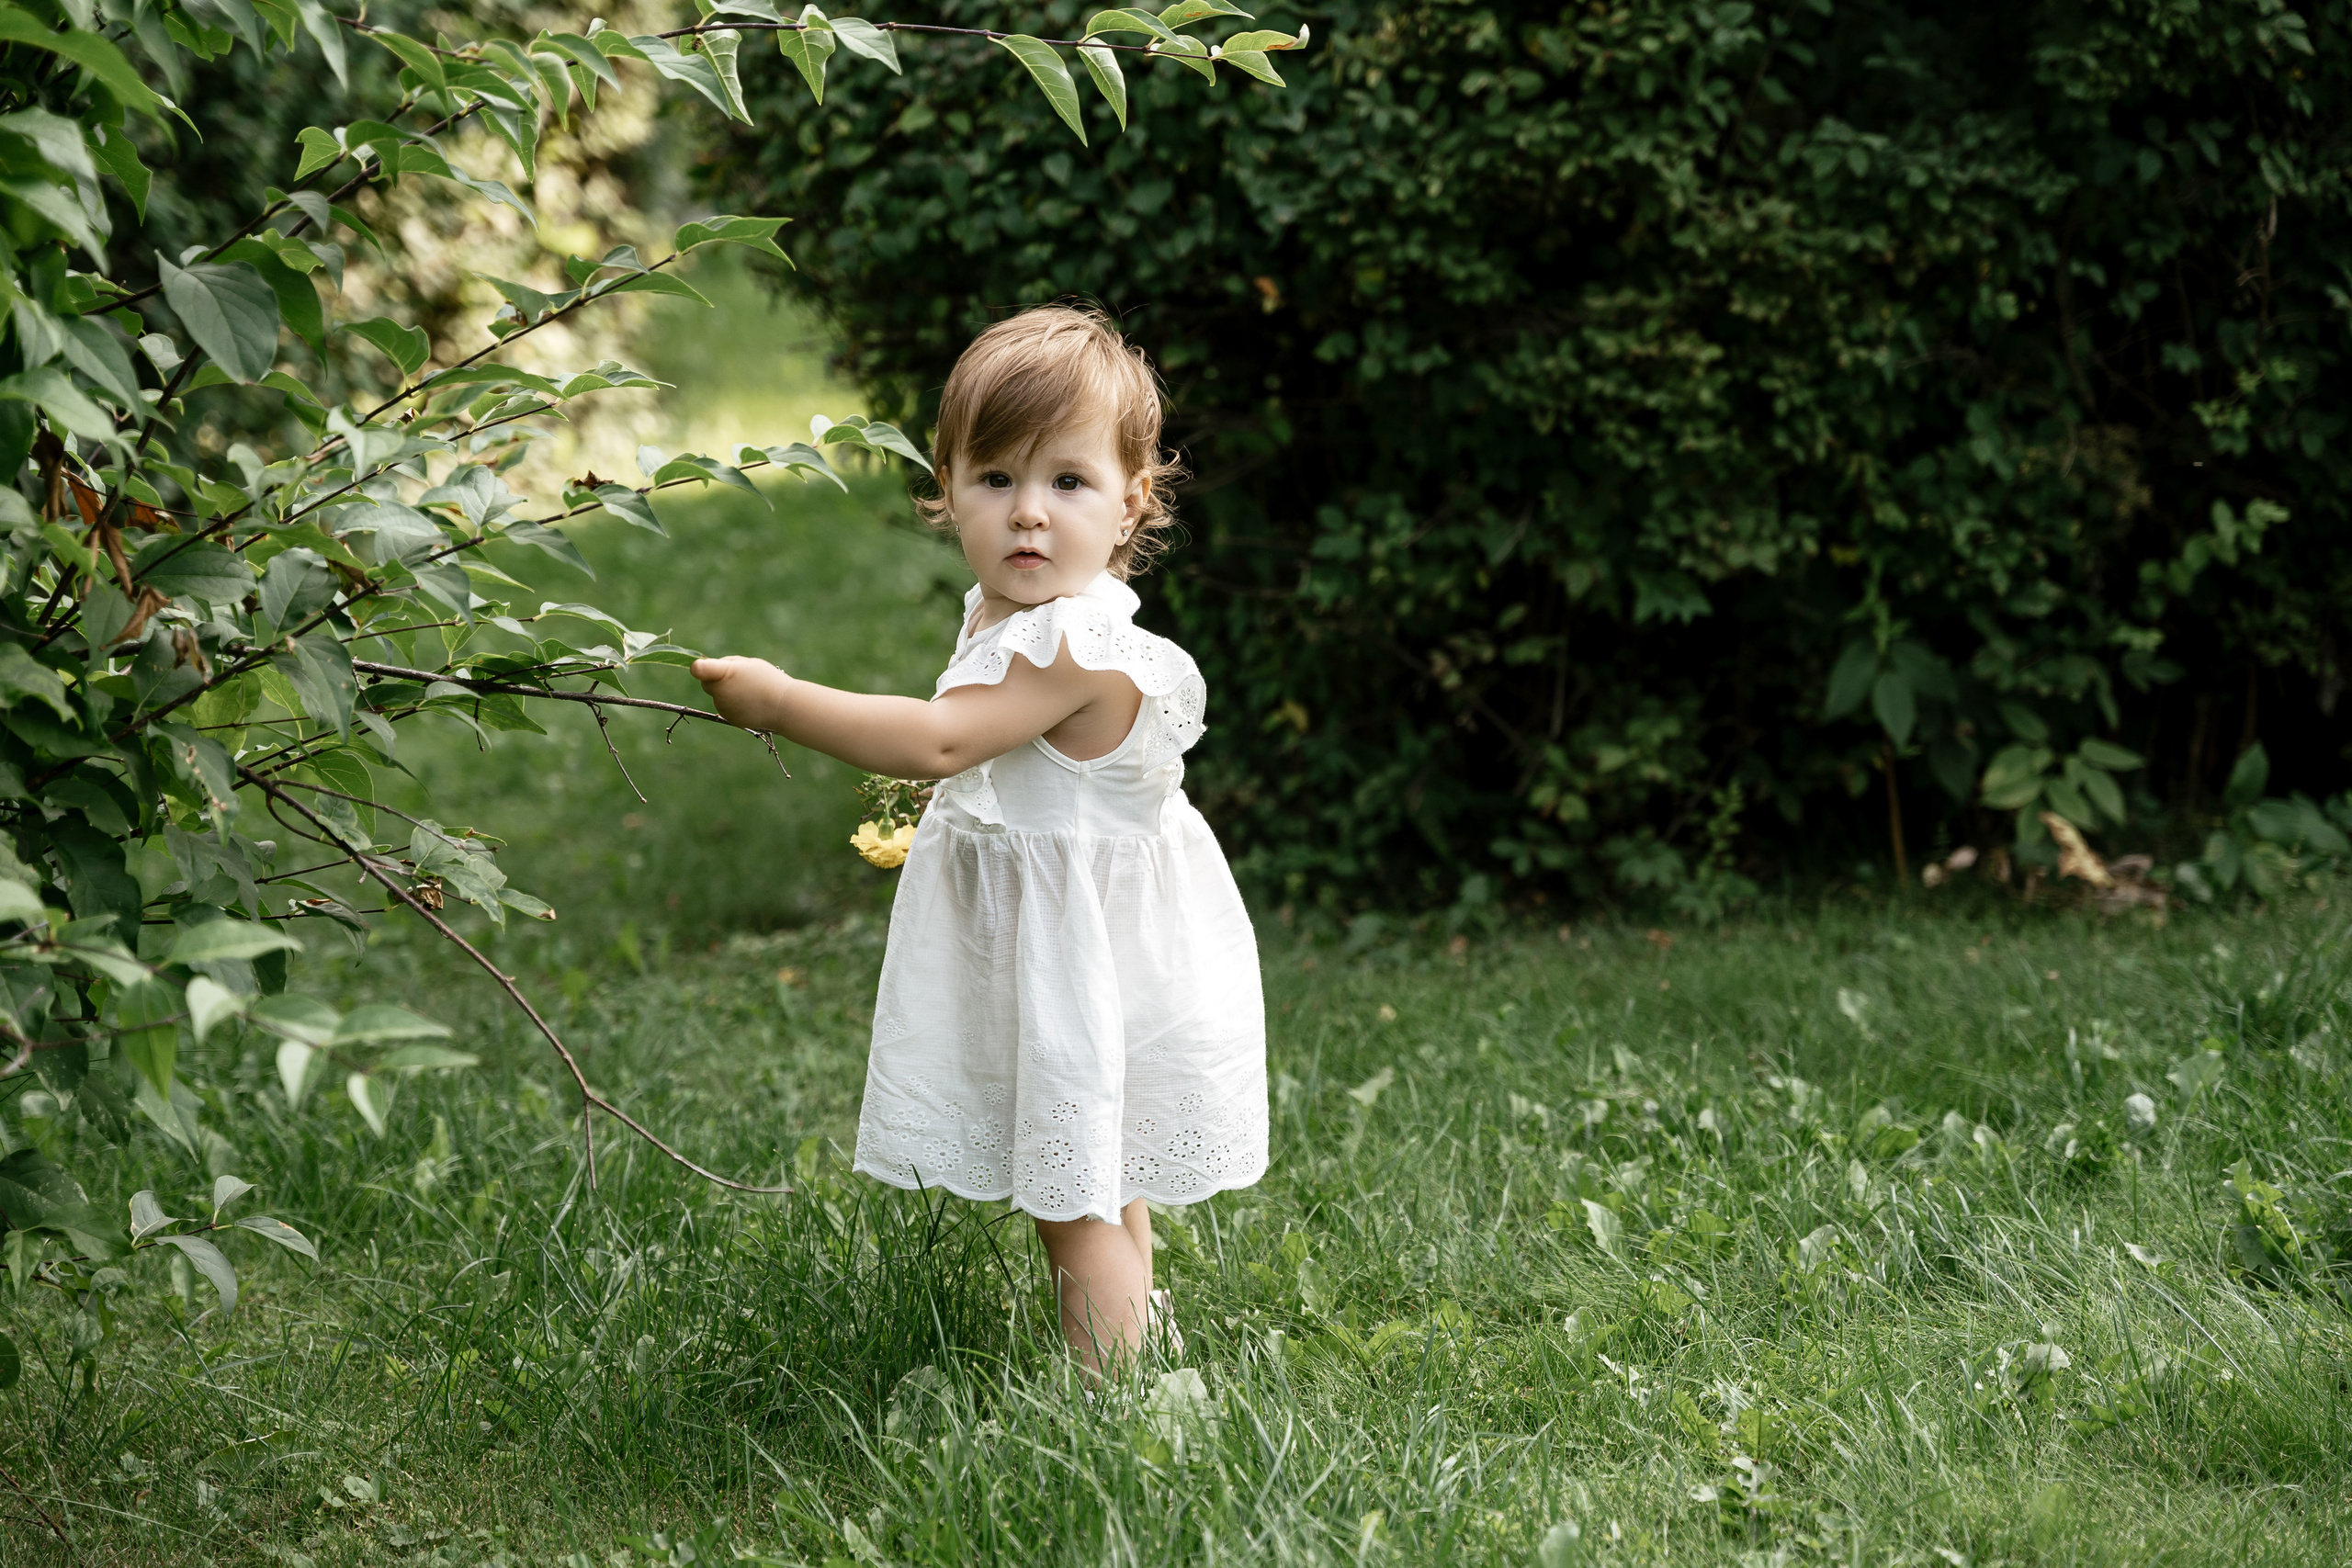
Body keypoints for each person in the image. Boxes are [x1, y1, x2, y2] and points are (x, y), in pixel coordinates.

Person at [690, 305, 1267, 1373]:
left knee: (1071, 1198)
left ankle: (1114, 1404)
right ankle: (1140, 1345)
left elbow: (942, 742)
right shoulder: (1012, 615)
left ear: (1131, 500)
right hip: (1079, 939)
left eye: (1067, 483)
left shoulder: (1075, 646)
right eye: (995, 480)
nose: (1028, 516)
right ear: (945, 487)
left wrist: (778, 701)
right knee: (1093, 1169)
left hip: (1087, 952)